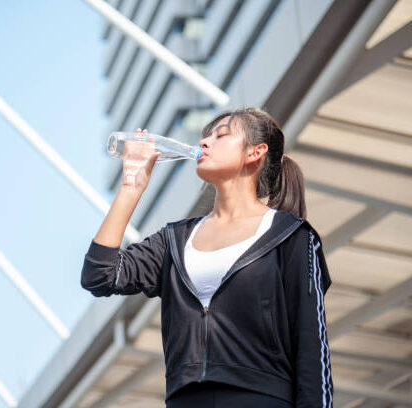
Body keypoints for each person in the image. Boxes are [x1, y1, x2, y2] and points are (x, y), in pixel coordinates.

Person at [81, 107, 334, 407]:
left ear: (255, 152)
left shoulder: (292, 237)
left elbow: (312, 349)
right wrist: (130, 187)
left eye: (221, 135)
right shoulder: (175, 240)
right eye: (205, 136)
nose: (204, 143)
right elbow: (99, 275)